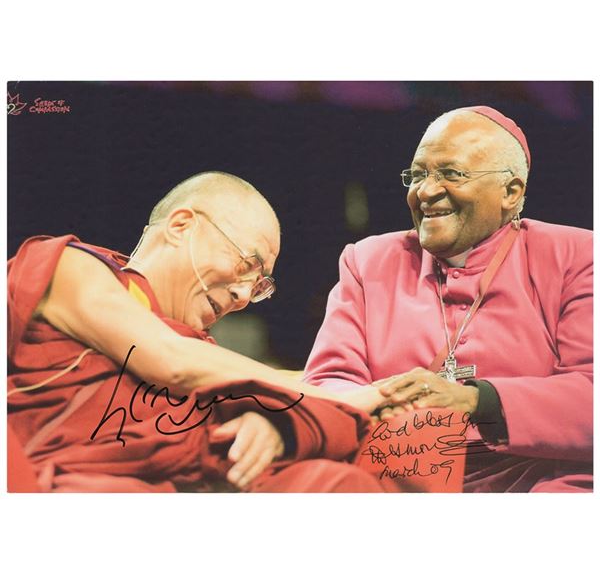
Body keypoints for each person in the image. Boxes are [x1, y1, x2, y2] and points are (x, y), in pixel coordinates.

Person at [8, 171, 398, 493]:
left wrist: (274, 423)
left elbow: (235, 388)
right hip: (80, 485)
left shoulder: (205, 354)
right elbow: (169, 361)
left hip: (189, 485)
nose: (244, 295)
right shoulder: (70, 267)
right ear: (181, 226)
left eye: (259, 285)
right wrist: (345, 397)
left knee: (339, 485)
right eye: (247, 264)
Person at [304, 106, 593, 493]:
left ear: (511, 192)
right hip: (402, 472)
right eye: (418, 174)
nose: (425, 191)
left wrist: (476, 400)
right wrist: (389, 403)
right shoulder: (368, 262)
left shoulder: (577, 256)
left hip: (540, 475)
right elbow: (328, 383)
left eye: (451, 174)